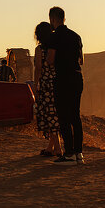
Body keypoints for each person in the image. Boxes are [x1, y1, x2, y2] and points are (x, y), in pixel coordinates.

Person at [47, 6, 84, 165]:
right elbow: (81, 60)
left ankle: (68, 154)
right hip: (77, 78)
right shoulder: (76, 36)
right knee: (75, 116)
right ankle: (79, 154)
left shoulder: (54, 37)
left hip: (63, 79)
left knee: (63, 117)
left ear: (53, 19)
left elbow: (50, 59)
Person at [32, 23, 61, 157]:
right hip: (57, 83)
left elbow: (38, 67)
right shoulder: (56, 47)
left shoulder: (40, 49)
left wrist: (35, 84)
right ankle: (51, 147)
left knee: (49, 116)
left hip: (46, 85)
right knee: (55, 114)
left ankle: (58, 148)